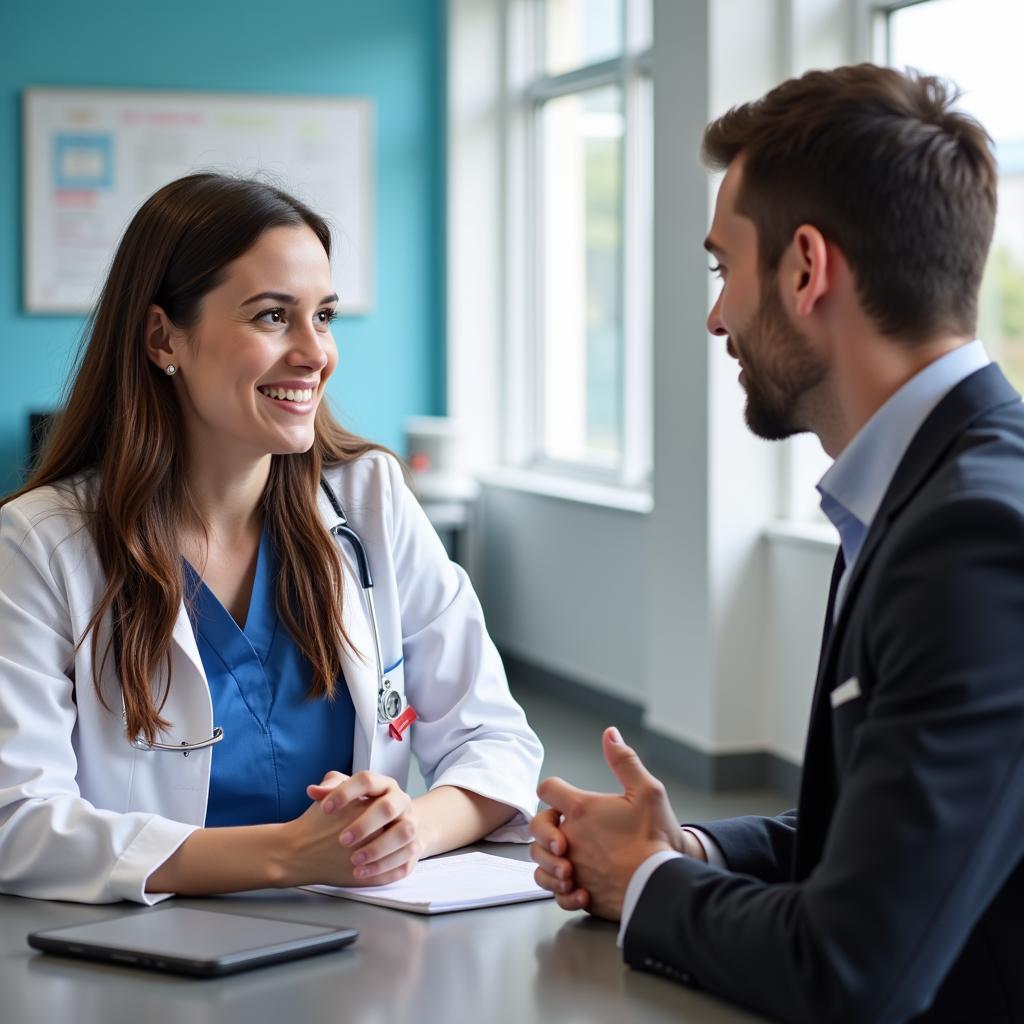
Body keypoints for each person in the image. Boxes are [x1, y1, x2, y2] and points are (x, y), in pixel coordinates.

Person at [530, 64, 1024, 1023]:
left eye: (725, 268)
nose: (717, 315)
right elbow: (882, 836)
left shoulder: (974, 537)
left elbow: (853, 966)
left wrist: (644, 884)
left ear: (806, 268)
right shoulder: (921, 486)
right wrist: (692, 853)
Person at [0, 173, 543, 905]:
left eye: (324, 316)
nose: (315, 353)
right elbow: (19, 820)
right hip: (141, 954)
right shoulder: (40, 545)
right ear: (164, 337)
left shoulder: (371, 500)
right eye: (271, 317)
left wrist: (400, 830)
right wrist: (292, 854)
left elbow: (496, 745)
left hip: (358, 949)